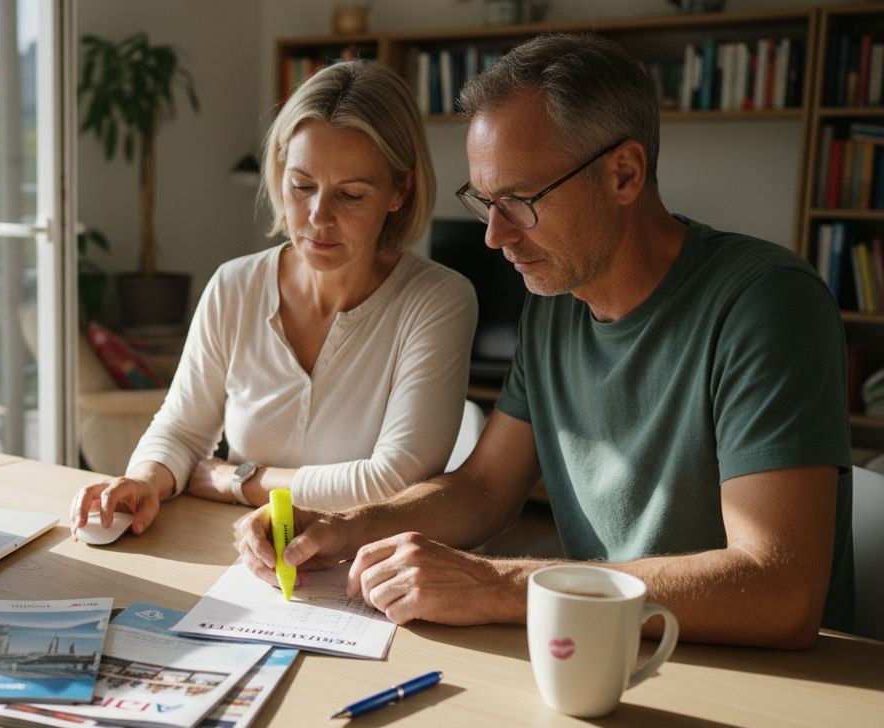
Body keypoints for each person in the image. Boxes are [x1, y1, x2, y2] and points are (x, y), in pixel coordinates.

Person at [236, 33, 854, 650]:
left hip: (756, 678)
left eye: (521, 201)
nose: (495, 236)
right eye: (484, 201)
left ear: (625, 174)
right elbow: (484, 489)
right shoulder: (556, 303)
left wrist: (502, 585)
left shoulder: (767, 303)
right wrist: (343, 528)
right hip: (606, 649)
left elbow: (782, 590)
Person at [71, 60, 477, 537]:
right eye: (301, 186)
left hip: (367, 563)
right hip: (241, 551)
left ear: (399, 191)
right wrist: (143, 479)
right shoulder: (234, 285)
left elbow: (392, 482)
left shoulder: (438, 300)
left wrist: (238, 480)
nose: (317, 217)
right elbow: (181, 430)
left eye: (350, 196)